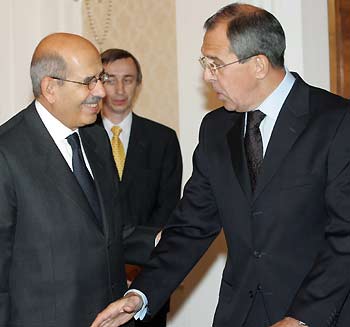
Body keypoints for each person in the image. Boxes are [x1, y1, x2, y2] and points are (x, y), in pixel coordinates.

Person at [91, 3, 350, 327]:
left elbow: (345, 237)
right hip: (239, 314)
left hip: (315, 315)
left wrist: (301, 319)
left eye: (215, 64)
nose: (206, 75)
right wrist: (141, 295)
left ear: (258, 64)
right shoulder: (216, 129)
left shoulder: (336, 122)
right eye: (205, 63)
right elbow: (190, 227)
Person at [0, 32, 158, 327]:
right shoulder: (7, 153)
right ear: (50, 88)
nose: (101, 91)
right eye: (89, 81)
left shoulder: (95, 137)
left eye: (100, 78)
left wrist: (162, 240)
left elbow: (107, 229)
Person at [98, 48, 183, 327]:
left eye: (129, 79)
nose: (120, 89)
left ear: (139, 84)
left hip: (147, 281)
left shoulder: (163, 139)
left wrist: (138, 266)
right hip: (94, 280)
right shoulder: (81, 138)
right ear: (98, 83)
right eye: (110, 79)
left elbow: (169, 211)